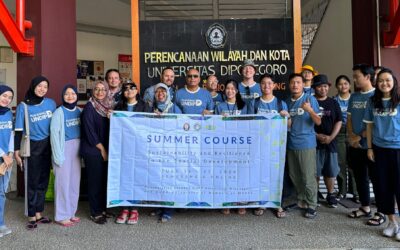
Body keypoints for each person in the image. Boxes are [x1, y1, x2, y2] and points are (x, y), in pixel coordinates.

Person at [14, 76, 56, 229]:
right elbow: (18, 130)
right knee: (32, 182)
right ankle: (31, 215)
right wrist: (16, 151)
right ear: (33, 86)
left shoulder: (51, 103)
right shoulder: (23, 106)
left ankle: (39, 212)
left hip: (48, 146)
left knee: (43, 182)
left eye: (45, 86)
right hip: (32, 147)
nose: (42, 89)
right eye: (40, 86)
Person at [364, 68, 400, 240]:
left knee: (399, 186)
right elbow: (369, 127)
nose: (385, 83)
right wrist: (370, 148)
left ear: (394, 81)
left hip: (398, 148)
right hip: (379, 149)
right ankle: (392, 223)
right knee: (383, 187)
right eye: (381, 81)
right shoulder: (372, 101)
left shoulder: (399, 100)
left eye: (388, 80)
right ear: (376, 83)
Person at [347, 64, 383, 226]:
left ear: (368, 77)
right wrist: (351, 136)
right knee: (360, 177)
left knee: (377, 179)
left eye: (357, 76)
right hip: (355, 145)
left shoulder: (377, 96)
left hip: (371, 145)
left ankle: (381, 211)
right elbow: (348, 118)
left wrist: (359, 136)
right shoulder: (354, 97)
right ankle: (365, 207)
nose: (354, 79)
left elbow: (376, 122)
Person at [249, 73, 289, 218]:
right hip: (259, 145)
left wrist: (287, 116)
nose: (266, 86)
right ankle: (262, 203)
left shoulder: (280, 104)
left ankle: (278, 204)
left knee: (276, 175)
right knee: (261, 174)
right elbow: (248, 124)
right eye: (263, 83)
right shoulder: (254, 103)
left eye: (269, 83)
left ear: (274, 85)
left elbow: (288, 125)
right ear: (260, 86)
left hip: (276, 146)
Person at [286, 73, 321, 219]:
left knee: (308, 176)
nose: (295, 85)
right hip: (291, 143)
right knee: (295, 175)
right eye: (293, 82)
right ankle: (301, 201)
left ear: (303, 85)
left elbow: (318, 121)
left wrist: (310, 110)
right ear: (289, 85)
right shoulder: (287, 101)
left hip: (306, 143)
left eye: (298, 82)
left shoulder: (309, 99)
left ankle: (312, 204)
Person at [114, 81, 147, 225]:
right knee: (124, 177)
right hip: (122, 147)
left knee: (136, 177)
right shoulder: (118, 107)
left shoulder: (145, 106)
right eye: (126, 89)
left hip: (139, 147)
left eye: (132, 88)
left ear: (137, 90)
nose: (129, 90)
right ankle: (124, 209)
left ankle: (134, 209)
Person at [148, 83, 181, 223]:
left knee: (168, 179)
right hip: (156, 148)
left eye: (163, 91)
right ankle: (159, 206)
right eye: (157, 92)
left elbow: (182, 125)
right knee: (157, 178)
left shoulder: (174, 107)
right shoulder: (150, 108)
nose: (160, 94)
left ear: (167, 93)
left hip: (171, 149)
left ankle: (168, 210)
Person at [80, 81, 112, 224]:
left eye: (103, 89)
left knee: (104, 180)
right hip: (94, 150)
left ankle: (103, 208)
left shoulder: (108, 108)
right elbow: (90, 132)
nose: (100, 92)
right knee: (95, 182)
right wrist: (103, 149)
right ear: (93, 91)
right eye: (97, 89)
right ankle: (95, 212)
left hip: (106, 149)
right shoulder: (89, 107)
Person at [215, 79, 248, 215]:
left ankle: (240, 202)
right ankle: (227, 201)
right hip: (224, 146)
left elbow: (249, 125)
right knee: (227, 174)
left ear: (237, 91)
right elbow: (214, 127)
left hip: (240, 145)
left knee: (240, 174)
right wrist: (219, 120)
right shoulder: (220, 106)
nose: (230, 91)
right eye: (227, 88)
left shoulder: (244, 106)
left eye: (232, 89)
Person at [50, 85, 81, 227]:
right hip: (63, 149)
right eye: (67, 94)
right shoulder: (59, 112)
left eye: (73, 93)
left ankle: (71, 212)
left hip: (77, 149)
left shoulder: (79, 111)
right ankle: (61, 215)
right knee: (62, 183)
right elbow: (54, 136)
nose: (70, 96)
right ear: (62, 96)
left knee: (74, 182)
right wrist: (57, 156)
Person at [312, 74, 342, 208]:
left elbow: (339, 121)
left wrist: (331, 137)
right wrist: (316, 135)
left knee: (331, 171)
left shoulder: (333, 102)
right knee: (315, 171)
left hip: (331, 142)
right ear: (314, 88)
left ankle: (330, 194)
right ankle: (316, 194)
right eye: (319, 86)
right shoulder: (310, 101)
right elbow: (304, 123)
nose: (323, 89)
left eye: (325, 86)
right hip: (313, 142)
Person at [334, 75, 358, 201]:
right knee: (340, 163)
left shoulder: (355, 99)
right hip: (339, 133)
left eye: (345, 83)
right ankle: (342, 191)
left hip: (353, 132)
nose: (343, 86)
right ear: (336, 86)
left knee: (354, 163)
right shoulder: (334, 100)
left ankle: (356, 192)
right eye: (340, 84)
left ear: (349, 85)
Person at [0, 84, 14, 237]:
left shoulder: (9, 113)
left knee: (1, 193)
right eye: (4, 95)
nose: (7, 99)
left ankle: (1, 223)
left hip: (6, 159)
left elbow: (11, 135)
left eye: (10, 97)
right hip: (2, 156)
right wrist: (3, 154)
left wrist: (9, 154)